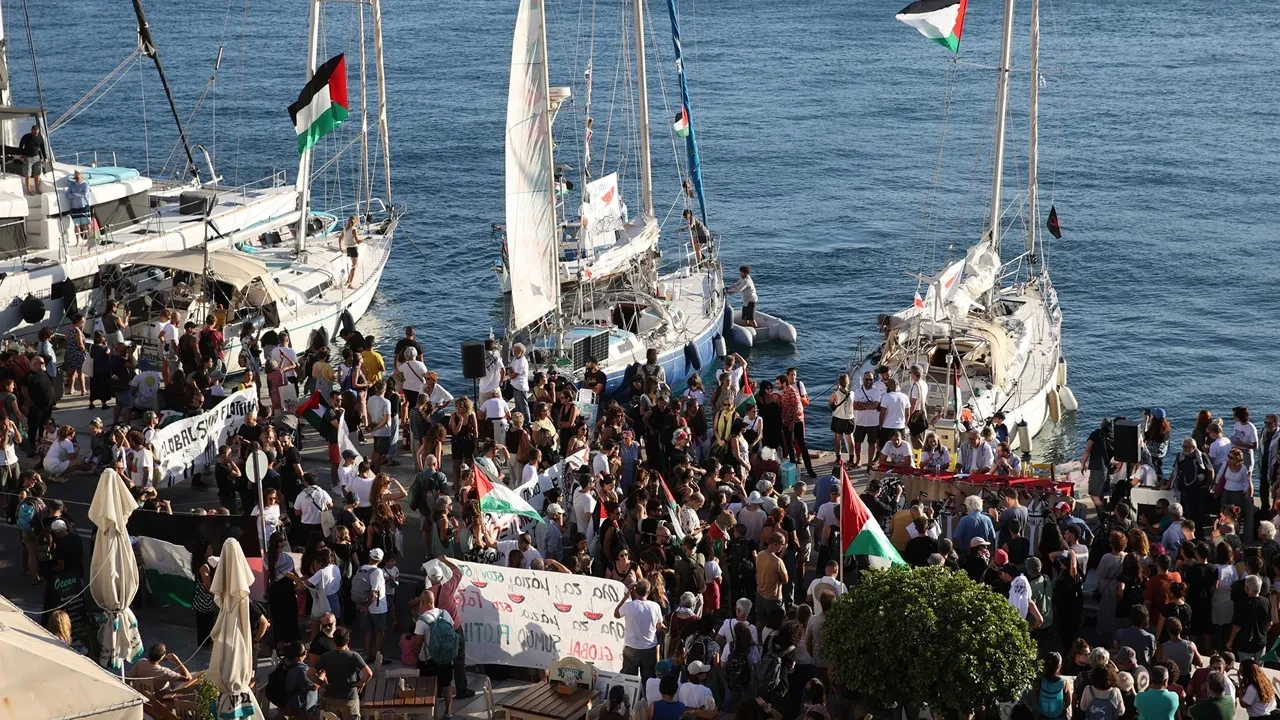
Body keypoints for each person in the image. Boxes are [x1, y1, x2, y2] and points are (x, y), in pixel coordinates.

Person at [412, 589, 458, 719]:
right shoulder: (445, 614)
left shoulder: (422, 621)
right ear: (433, 601)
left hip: (429, 658)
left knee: (427, 686)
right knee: (446, 684)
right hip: (446, 656)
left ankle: (430, 713)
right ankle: (448, 712)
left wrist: (416, 656)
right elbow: (452, 630)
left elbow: (418, 643)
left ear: (422, 602)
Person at [309, 627, 372, 720]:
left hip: (331, 697)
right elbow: (368, 673)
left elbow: (310, 673)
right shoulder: (354, 656)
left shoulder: (326, 656)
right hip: (349, 698)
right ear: (348, 640)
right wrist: (361, 683)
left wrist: (321, 683)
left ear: (333, 641)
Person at [616, 578, 666, 683]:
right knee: (648, 681)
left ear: (634, 591)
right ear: (648, 592)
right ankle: (646, 699)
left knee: (629, 681)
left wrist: (625, 598)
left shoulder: (629, 606)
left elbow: (616, 614)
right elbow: (659, 626)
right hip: (649, 648)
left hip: (631, 647)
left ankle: (629, 698)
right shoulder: (655, 606)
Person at [1227, 575, 1269, 661]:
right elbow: (1269, 622)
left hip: (1245, 645)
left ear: (1246, 588)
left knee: (1246, 670)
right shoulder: (1266, 602)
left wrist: (1230, 640)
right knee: (1259, 670)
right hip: (1261, 643)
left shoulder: (1242, 604)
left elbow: (1237, 626)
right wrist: (1262, 633)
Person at [128, 643, 193, 695]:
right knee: (182, 684)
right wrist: (177, 662)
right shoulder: (164, 672)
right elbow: (188, 678)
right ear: (161, 657)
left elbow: (128, 677)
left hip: (143, 696)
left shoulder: (140, 662)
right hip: (161, 700)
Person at [1083, 418, 1119, 510]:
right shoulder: (1114, 437)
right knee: (1101, 493)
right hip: (1108, 469)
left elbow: (1088, 449)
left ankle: (1102, 514)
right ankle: (1103, 511)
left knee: (1094, 496)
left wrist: (1083, 463)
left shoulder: (1096, 433)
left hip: (1097, 468)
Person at [1033, 652, 1072, 720]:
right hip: (1059, 717)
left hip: (1042, 716)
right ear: (1059, 666)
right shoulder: (1064, 683)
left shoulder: (1039, 681)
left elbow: (1036, 699)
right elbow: (1068, 702)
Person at [18, 124, 46, 195]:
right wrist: (21, 155)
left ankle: (37, 190)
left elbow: (42, 147)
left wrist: (44, 157)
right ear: (31, 131)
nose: (34, 134)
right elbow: (21, 146)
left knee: (37, 174)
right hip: (27, 157)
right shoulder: (26, 137)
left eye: (36, 133)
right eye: (33, 132)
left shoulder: (40, 137)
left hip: (37, 157)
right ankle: (28, 190)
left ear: (38, 131)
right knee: (28, 175)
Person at [339, 215, 362, 288]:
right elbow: (358, 242)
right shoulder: (353, 230)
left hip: (348, 249)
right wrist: (365, 239)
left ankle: (348, 281)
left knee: (353, 265)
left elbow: (340, 239)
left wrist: (341, 248)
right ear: (355, 222)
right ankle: (350, 284)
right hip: (353, 248)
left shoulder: (345, 229)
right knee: (354, 266)